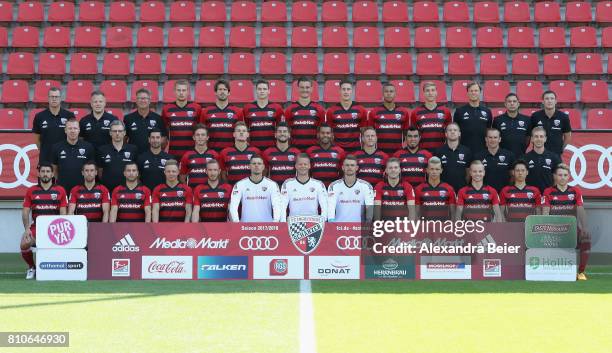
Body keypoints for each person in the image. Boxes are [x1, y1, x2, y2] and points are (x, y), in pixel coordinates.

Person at [542, 164, 591, 280]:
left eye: (565, 175)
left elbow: (580, 210)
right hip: (554, 229)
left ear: (569, 177)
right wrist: (546, 228)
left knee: (586, 240)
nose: (562, 177)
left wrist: (584, 227)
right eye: (560, 175)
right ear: (554, 176)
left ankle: (581, 272)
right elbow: (545, 212)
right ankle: (551, 269)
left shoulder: (575, 191)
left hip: (572, 228)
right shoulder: (548, 192)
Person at [20, 162, 68, 279]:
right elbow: (25, 211)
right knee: (24, 244)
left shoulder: (60, 190)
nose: (45, 174)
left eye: (47, 172)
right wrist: (27, 229)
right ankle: (32, 267)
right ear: (39, 173)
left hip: (55, 228)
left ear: (52, 174)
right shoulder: (31, 190)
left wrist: (61, 230)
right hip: (37, 227)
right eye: (43, 171)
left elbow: (63, 213)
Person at [229, 155, 281, 222]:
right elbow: (233, 206)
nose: (256, 165)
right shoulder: (240, 185)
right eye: (254, 163)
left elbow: (277, 206)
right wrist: (236, 223)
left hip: (267, 227)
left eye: (259, 164)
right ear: (249, 166)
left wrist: (275, 222)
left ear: (263, 167)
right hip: (245, 227)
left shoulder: (272, 185)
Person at [50, 118, 95, 194]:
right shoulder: (56, 147)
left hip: (83, 189)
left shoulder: (88, 147)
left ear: (79, 130)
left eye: (75, 128)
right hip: (62, 189)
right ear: (65, 130)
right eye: (70, 128)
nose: (73, 131)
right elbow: (54, 169)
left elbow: (91, 169)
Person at [280, 153, 328, 221]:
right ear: (295, 166)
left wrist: (322, 222)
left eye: (305, 164)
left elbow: (325, 206)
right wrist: (283, 222)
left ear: (309, 166)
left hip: (314, 224)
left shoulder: (318, 184)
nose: (303, 166)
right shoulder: (287, 184)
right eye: (300, 164)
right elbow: (282, 206)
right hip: (293, 224)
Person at [32, 87, 75, 163]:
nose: (54, 99)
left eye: (56, 97)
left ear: (60, 98)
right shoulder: (39, 116)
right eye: (52, 97)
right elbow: (36, 140)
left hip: (64, 156)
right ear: (48, 98)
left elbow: (74, 136)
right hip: (46, 157)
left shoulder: (69, 115)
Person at [161, 80, 202, 160]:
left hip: (192, 152)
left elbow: (201, 130)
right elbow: (164, 131)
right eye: (178, 90)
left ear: (188, 92)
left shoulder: (196, 108)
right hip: (173, 153)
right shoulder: (167, 109)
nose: (181, 93)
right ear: (174, 92)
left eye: (184, 90)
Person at [200, 79, 244, 151]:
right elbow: (202, 133)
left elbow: (240, 132)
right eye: (220, 89)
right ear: (215, 92)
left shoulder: (237, 111)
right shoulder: (206, 111)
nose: (222, 92)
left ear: (228, 92)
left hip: (231, 152)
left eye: (225, 89)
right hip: (211, 151)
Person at [325, 80, 368, 153]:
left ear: (352, 91)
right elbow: (329, 133)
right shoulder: (331, 111)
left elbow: (364, 133)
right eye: (343, 89)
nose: (346, 92)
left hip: (356, 150)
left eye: (348, 89)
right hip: (337, 150)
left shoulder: (361, 110)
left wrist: (363, 151)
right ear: (339, 91)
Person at [327, 155, 375, 222]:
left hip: (358, 227)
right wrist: (331, 221)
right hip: (339, 227)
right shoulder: (333, 186)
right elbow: (331, 206)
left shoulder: (366, 186)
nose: (349, 167)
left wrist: (368, 222)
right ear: (343, 167)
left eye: (352, 165)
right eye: (347, 165)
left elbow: (369, 206)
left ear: (357, 168)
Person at [284, 76, 326, 151]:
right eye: (302, 87)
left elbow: (322, 131)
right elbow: (287, 131)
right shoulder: (290, 109)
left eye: (307, 87)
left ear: (311, 89)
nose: (305, 90)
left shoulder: (319, 109)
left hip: (314, 150)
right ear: (298, 89)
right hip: (295, 149)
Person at [368, 82, 411, 154]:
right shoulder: (374, 112)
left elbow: (406, 134)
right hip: (379, 152)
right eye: (386, 91)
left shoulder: (403, 112)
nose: (389, 93)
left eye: (391, 91)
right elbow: (369, 133)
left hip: (398, 152)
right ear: (383, 94)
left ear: (395, 94)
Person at [96, 120, 139, 192]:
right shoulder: (102, 150)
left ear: (124, 133)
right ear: (110, 133)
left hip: (128, 192)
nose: (117, 133)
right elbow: (100, 171)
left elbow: (137, 172)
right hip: (107, 191)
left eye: (120, 131)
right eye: (114, 131)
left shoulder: (133, 149)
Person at [243, 80, 284, 150]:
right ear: (256, 91)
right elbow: (245, 127)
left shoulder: (277, 108)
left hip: (272, 147)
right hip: (253, 148)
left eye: (264, 89)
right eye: (259, 89)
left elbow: (280, 128)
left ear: (269, 91)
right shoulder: (248, 108)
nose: (262, 91)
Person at [410, 82, 452, 151]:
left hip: (441, 150)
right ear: (423, 93)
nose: (430, 93)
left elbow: (449, 133)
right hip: (422, 151)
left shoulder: (445, 111)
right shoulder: (416, 112)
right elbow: (413, 134)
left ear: (436, 93)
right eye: (427, 90)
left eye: (433, 90)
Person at [123, 88, 167, 153]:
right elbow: (124, 139)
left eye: (145, 98)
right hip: (134, 157)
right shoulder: (128, 118)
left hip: (151, 157)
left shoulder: (158, 118)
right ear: (136, 101)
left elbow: (163, 140)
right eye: (140, 98)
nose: (142, 100)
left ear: (149, 101)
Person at [453, 82, 492, 154]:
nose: (473, 93)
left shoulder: (487, 112)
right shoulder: (459, 111)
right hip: (463, 150)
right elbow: (455, 132)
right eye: (471, 91)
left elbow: (488, 130)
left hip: (482, 150)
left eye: (476, 90)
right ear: (467, 93)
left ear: (480, 92)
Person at [530, 90, 572, 157]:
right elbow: (530, 136)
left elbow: (568, 137)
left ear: (555, 101)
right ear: (543, 102)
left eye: (552, 98)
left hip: (556, 155)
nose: (549, 101)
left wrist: (560, 150)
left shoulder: (563, 117)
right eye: (547, 99)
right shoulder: (535, 116)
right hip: (538, 154)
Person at [521, 127, 561, 193]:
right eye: (536, 136)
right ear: (532, 139)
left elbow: (558, 177)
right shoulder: (524, 158)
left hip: (547, 196)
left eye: (541, 136)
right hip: (530, 196)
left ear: (545, 139)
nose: (539, 139)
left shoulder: (554, 157)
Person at [474, 128, 515, 192]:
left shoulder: (509, 155)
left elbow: (513, 176)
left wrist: (507, 189)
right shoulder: (478, 156)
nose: (492, 140)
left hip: (504, 194)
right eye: (490, 137)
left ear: (499, 139)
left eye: (495, 137)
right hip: (484, 194)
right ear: (486, 139)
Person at [434, 123, 472, 193]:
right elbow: (435, 172)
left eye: (455, 130)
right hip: (443, 191)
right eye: (450, 130)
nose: (452, 132)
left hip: (461, 191)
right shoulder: (438, 151)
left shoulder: (466, 151)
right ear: (446, 134)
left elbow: (468, 173)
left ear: (459, 133)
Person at [492, 93, 531, 158]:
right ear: (505, 104)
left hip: (520, 156)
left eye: (514, 101)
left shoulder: (527, 120)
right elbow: (495, 138)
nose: (512, 103)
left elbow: (528, 138)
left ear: (518, 104)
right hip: (502, 157)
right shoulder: (497, 120)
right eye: (509, 101)